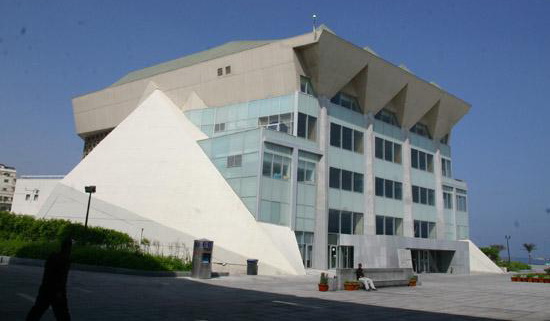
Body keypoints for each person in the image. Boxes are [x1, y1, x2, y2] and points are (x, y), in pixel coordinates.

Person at [26, 237, 73, 321]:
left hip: (46, 288)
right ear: (69, 248)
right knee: (62, 314)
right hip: (56, 291)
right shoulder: (64, 260)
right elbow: (61, 278)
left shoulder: (53, 257)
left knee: (37, 310)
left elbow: (48, 274)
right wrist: (60, 291)